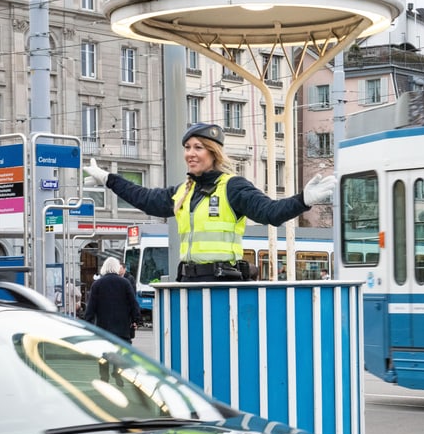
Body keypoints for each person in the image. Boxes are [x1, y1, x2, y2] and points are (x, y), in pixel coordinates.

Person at [83, 123, 336, 283]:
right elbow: (147, 200)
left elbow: (270, 213)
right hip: (189, 282)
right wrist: (109, 179)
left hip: (222, 283)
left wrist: (303, 200)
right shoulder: (184, 191)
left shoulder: (232, 186)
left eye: (198, 147)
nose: (190, 153)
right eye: (187, 147)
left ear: (213, 152)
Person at [84, 256, 141, 342]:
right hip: (123, 329)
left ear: (104, 268)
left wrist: (89, 323)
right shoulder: (125, 283)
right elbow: (133, 303)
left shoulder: (97, 284)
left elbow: (90, 307)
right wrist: (135, 320)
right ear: (117, 268)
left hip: (103, 330)